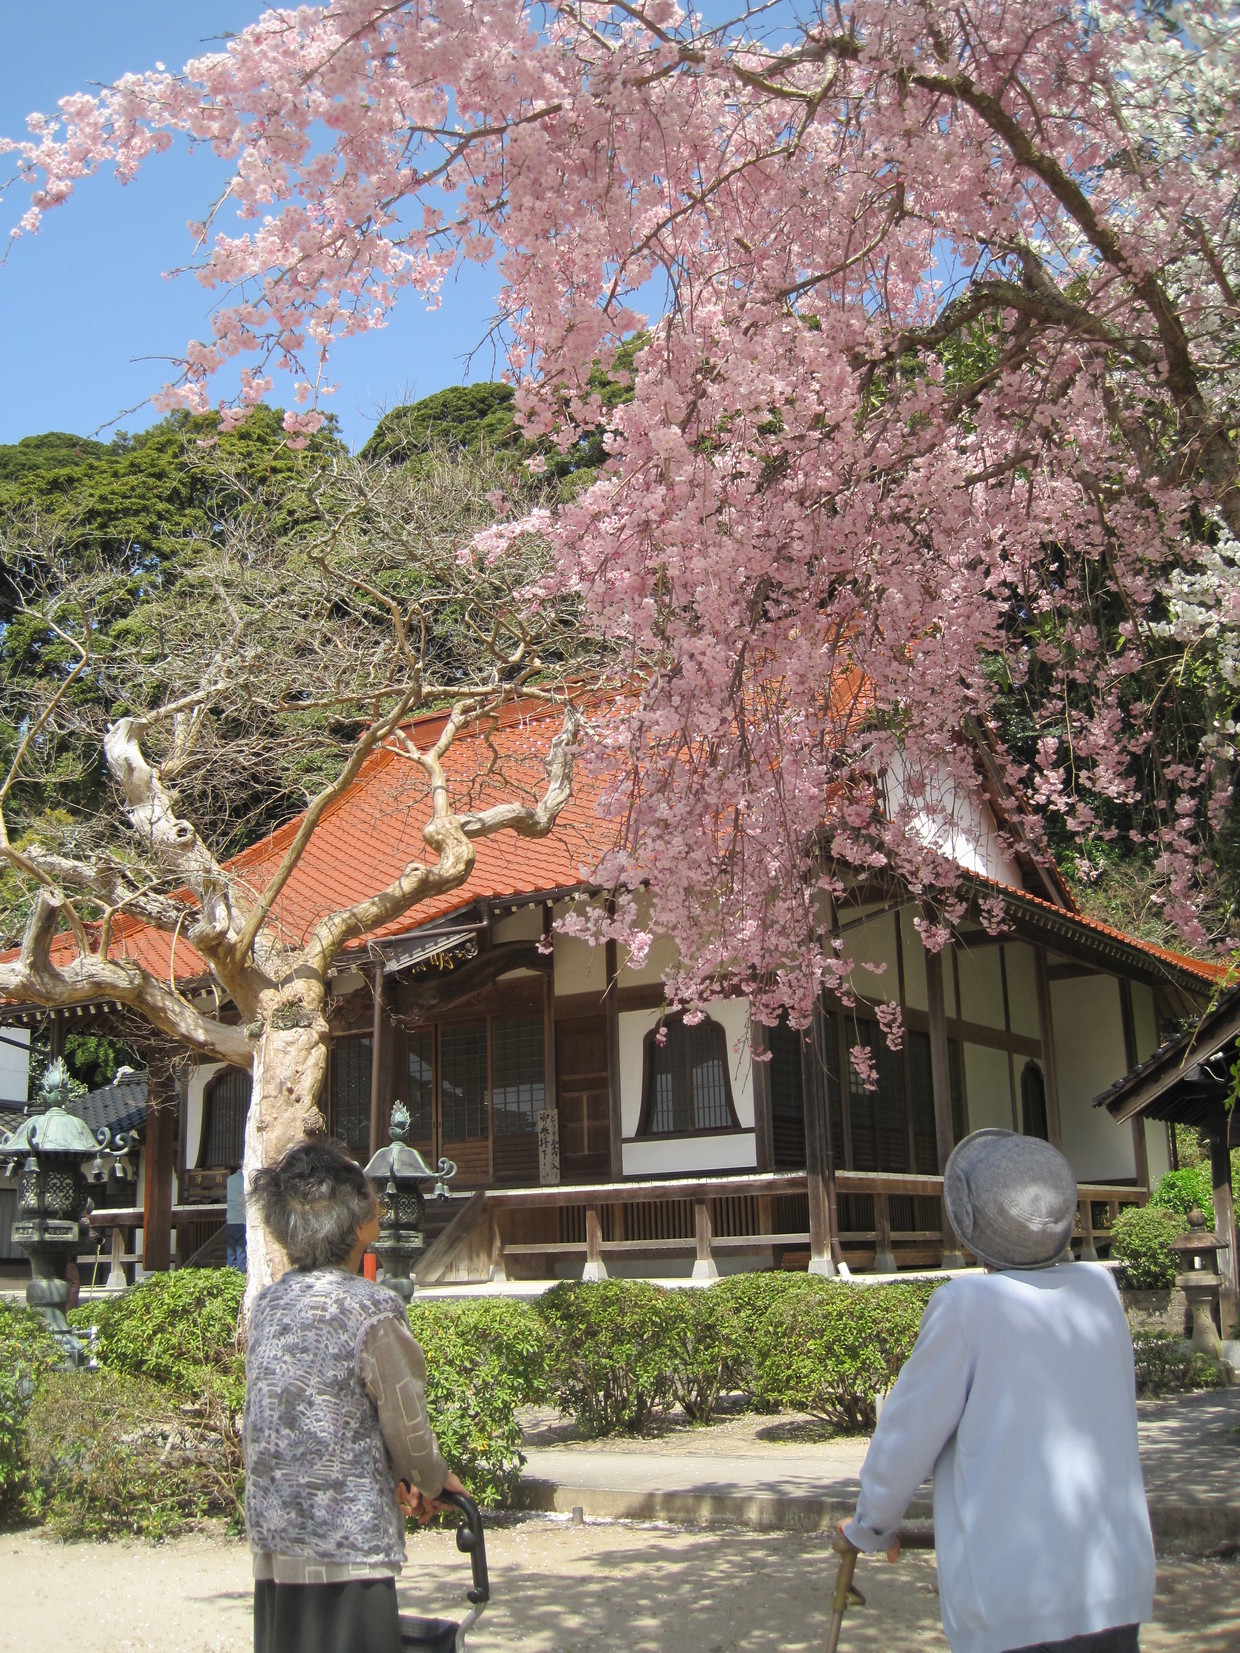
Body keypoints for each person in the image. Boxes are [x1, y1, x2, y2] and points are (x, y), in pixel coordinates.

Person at [837, 1128, 1155, 1653]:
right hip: (1115, 1579)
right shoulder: (1099, 1290)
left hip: (1017, 1598)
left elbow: (908, 1433)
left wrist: (871, 1526)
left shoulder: (967, 1306)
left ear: (969, 1228)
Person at [244, 1141, 465, 1653]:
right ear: (353, 1219)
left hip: (277, 1530)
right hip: (346, 1537)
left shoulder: (270, 1303)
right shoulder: (370, 1307)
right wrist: (431, 1479)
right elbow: (404, 1419)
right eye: (369, 1195)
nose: (379, 1203)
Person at [225, 1167, 247, 1271]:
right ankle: (241, 1275)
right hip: (242, 1219)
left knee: (231, 1250)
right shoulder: (246, 1180)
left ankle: (230, 1273)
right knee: (241, 1250)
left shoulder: (230, 1179)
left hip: (231, 1219)